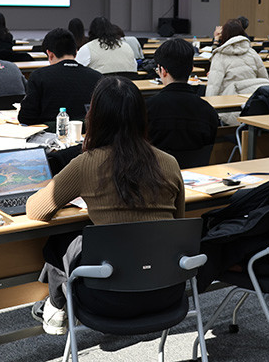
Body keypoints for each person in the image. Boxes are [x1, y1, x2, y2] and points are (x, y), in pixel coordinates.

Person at [26, 76, 186, 335]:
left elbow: (35, 210)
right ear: (141, 116)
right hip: (166, 292)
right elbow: (177, 225)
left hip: (107, 299)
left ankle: (55, 306)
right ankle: (54, 307)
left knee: (63, 239)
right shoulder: (169, 163)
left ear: (94, 118)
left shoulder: (85, 164)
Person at [146, 38, 219, 158]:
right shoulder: (209, 111)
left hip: (156, 174)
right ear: (191, 69)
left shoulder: (147, 109)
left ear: (162, 71)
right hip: (197, 173)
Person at [19, 28, 102, 125]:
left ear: (50, 54)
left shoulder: (38, 76)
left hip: (48, 136)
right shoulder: (97, 77)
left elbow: (26, 118)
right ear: (75, 52)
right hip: (86, 136)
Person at [205, 19, 269, 100]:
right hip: (253, 100)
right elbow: (264, 79)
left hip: (229, 100)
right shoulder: (252, 52)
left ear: (224, 35)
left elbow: (213, 86)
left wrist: (209, 103)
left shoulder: (220, 56)